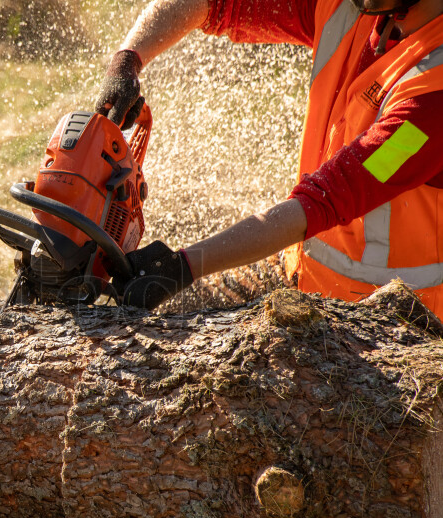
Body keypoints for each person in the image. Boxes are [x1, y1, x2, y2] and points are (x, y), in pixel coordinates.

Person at [97, 0, 443, 318]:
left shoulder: (432, 103)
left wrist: (184, 266)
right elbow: (212, 3)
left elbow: (324, 200)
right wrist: (127, 61)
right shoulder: (346, 10)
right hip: (301, 275)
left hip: (386, 324)